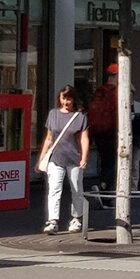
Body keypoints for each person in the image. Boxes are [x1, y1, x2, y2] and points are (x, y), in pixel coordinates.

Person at [35, 85, 90, 235]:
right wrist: (41, 159)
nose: (66, 102)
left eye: (69, 98)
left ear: (74, 100)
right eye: (63, 98)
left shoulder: (80, 117)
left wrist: (84, 157)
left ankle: (76, 218)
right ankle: (53, 221)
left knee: (77, 190)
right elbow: (49, 138)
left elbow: (84, 139)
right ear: (59, 98)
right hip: (56, 158)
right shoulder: (53, 114)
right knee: (54, 189)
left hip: (74, 158)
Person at [87, 64, 119, 200]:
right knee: (113, 163)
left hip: (97, 132)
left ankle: (103, 187)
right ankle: (104, 188)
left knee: (105, 161)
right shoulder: (116, 93)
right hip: (111, 131)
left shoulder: (99, 91)